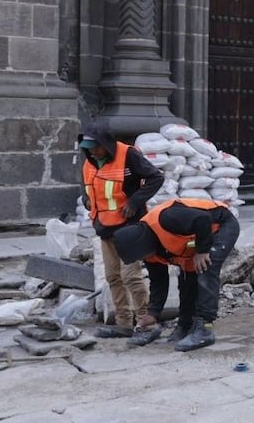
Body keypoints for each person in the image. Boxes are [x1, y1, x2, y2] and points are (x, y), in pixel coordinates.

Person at [113, 197, 238, 351]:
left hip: (221, 225)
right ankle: (185, 326)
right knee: (186, 277)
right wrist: (153, 313)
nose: (140, 260)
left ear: (140, 245)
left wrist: (202, 250)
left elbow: (203, 219)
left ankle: (205, 328)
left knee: (206, 266)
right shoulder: (150, 251)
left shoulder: (166, 218)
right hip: (197, 238)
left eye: (138, 256)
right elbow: (159, 282)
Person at [79, 121, 163, 339]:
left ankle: (145, 322)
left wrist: (135, 201)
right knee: (113, 277)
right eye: (89, 148)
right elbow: (87, 187)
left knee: (131, 276)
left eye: (96, 147)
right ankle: (123, 323)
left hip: (128, 227)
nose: (93, 151)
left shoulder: (128, 156)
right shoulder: (89, 162)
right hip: (104, 227)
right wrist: (87, 201)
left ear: (106, 143)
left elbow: (156, 177)